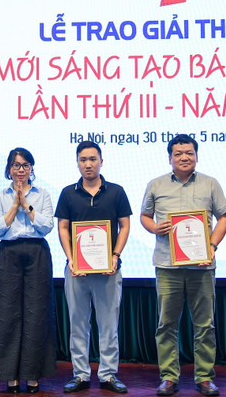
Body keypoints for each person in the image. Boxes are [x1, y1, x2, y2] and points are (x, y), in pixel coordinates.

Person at [140, 134, 226, 397]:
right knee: (166, 324)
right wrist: (155, 227)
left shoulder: (210, 184)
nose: (184, 157)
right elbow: (144, 216)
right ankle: (169, 377)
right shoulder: (156, 185)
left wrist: (211, 246)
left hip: (202, 267)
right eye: (178, 153)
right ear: (170, 158)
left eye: (189, 152)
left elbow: (224, 217)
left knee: (205, 325)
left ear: (196, 155)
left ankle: (204, 377)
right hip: (168, 266)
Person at [55, 141, 132, 394]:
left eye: (93, 159)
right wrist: (70, 258)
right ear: (77, 162)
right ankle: (80, 374)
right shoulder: (68, 193)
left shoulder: (116, 191)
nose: (88, 164)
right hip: (77, 270)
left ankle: (108, 374)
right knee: (78, 323)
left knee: (109, 324)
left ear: (101, 160)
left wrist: (115, 255)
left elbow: (125, 225)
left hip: (109, 269)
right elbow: (63, 228)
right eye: (83, 159)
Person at [0, 147, 57, 394]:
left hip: (37, 253)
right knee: (7, 314)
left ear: (32, 169)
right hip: (8, 254)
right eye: (16, 165)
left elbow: (46, 226)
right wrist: (14, 205)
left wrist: (26, 204)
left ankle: (32, 375)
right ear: (9, 169)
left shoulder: (43, 194)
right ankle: (11, 376)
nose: (21, 170)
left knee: (36, 314)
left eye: (25, 165)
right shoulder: (0, 196)